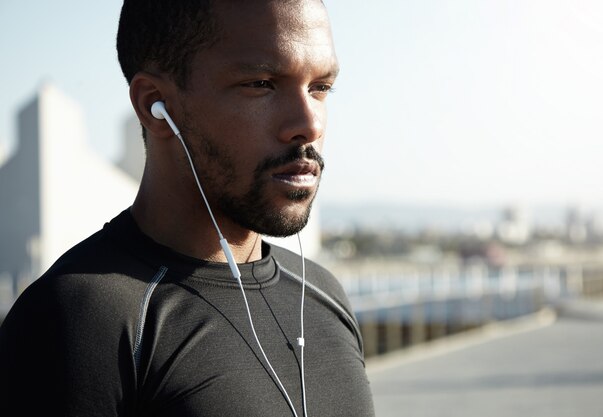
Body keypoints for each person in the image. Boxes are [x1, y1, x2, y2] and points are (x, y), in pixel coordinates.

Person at [0, 0, 376, 416]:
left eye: (320, 87)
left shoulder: (323, 293)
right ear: (155, 105)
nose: (310, 123)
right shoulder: (80, 319)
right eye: (262, 83)